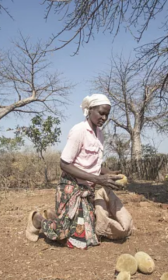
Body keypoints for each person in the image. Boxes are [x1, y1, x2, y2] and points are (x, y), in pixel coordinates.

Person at [25, 94, 133, 249]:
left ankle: (58, 218)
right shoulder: (79, 131)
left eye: (107, 115)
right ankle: (37, 220)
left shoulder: (99, 134)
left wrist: (108, 173)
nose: (104, 117)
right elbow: (64, 163)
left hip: (86, 189)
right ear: (89, 110)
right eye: (101, 113)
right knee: (69, 238)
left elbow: (93, 164)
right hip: (71, 187)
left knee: (90, 236)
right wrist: (98, 179)